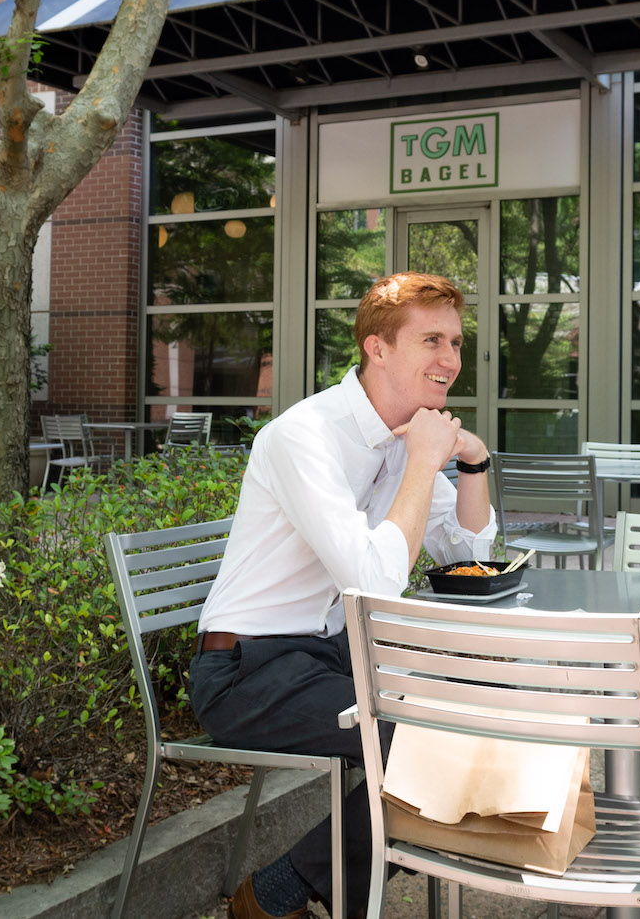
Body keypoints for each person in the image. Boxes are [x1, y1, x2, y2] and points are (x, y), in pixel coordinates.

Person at [189, 272, 497, 919]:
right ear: (376, 348)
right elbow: (373, 577)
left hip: (326, 656)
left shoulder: (405, 435)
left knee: (476, 713)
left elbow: (466, 557)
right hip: (246, 671)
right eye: (432, 340)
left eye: (457, 342)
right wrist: (422, 462)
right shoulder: (306, 437)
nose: (451, 360)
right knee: (425, 741)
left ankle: (285, 890)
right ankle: (279, 898)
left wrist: (471, 462)